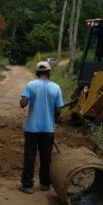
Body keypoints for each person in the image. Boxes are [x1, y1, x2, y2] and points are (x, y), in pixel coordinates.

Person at [18, 61, 63, 194]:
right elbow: (59, 109)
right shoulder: (56, 87)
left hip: (32, 127)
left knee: (30, 156)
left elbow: (23, 104)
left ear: (37, 73)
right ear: (49, 73)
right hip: (48, 128)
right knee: (46, 157)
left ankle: (27, 185)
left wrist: (24, 99)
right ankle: (44, 184)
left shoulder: (31, 85)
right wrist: (53, 117)